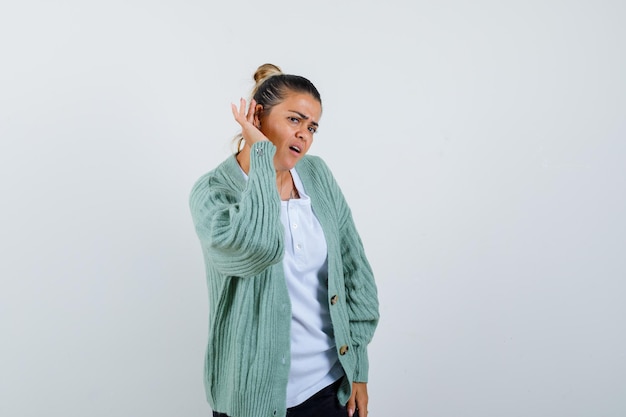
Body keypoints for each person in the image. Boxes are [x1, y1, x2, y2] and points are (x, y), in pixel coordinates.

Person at [189, 63, 379, 417]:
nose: (304, 135)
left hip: (329, 387)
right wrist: (261, 157)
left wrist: (358, 368)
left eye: (312, 127)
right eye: (295, 120)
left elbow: (355, 272)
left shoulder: (317, 175)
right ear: (256, 117)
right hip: (251, 398)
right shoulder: (213, 192)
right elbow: (255, 248)